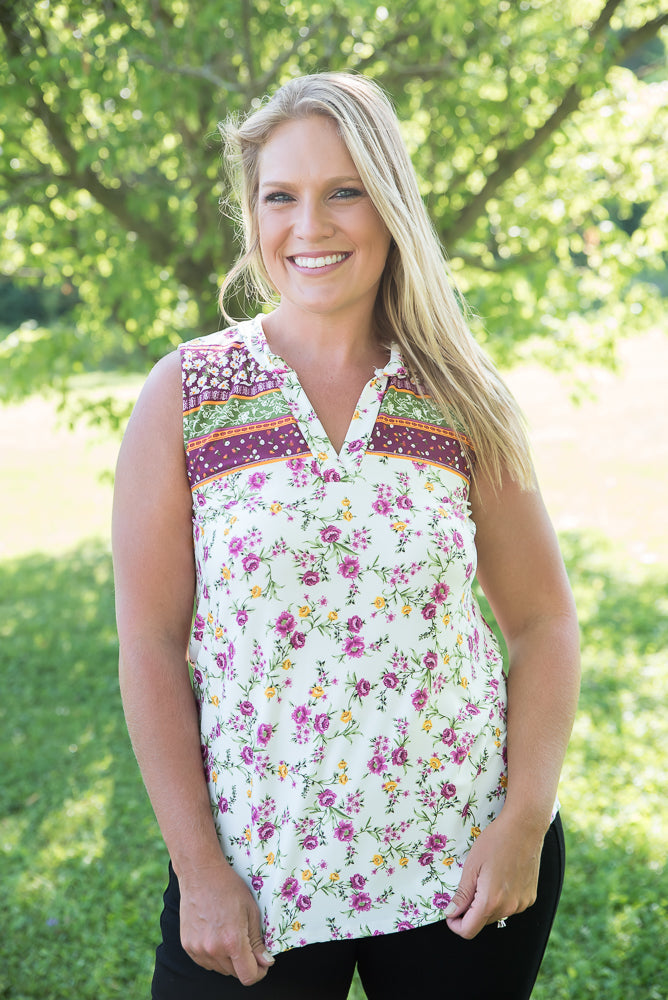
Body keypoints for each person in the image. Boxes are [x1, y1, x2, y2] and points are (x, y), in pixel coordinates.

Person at [112, 72, 580, 1000]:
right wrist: (199, 869)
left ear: (390, 203)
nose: (309, 226)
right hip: (258, 878)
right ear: (253, 215)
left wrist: (523, 821)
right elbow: (152, 644)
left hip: (461, 872)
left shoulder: (461, 396)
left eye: (344, 192)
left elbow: (544, 624)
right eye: (281, 196)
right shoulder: (186, 395)